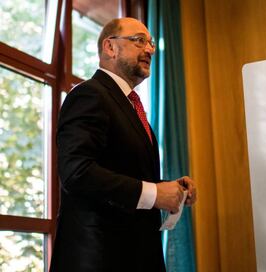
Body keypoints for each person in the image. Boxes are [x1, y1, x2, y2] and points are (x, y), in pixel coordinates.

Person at [49, 17, 196, 272]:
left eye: (150, 43)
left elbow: (124, 174)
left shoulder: (131, 106)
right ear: (110, 47)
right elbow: (77, 172)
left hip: (136, 255)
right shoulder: (89, 94)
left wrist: (170, 188)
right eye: (139, 41)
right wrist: (155, 194)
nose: (149, 49)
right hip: (99, 258)